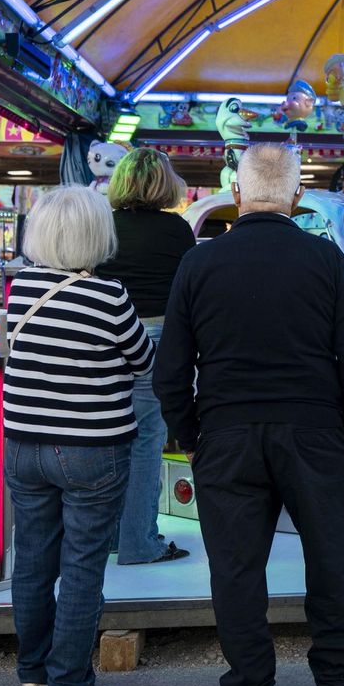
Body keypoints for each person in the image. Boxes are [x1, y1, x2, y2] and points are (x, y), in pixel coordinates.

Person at [155, 142, 344, 686]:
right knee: (329, 555)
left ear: (237, 191)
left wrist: (192, 436)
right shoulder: (327, 261)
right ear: (297, 196)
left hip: (226, 434)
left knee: (236, 568)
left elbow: (169, 371)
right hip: (315, 432)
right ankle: (339, 682)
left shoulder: (199, 264)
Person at [1, 185, 154, 686]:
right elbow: (143, 359)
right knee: (82, 567)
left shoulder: (20, 289)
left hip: (24, 444)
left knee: (33, 563)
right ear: (96, 235)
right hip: (91, 449)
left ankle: (34, 681)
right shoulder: (108, 296)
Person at [95, 148, 195, 565]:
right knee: (147, 438)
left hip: (106, 339)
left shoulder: (103, 227)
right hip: (156, 340)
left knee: (108, 437)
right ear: (165, 184)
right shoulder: (178, 231)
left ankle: (109, 535)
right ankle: (139, 540)